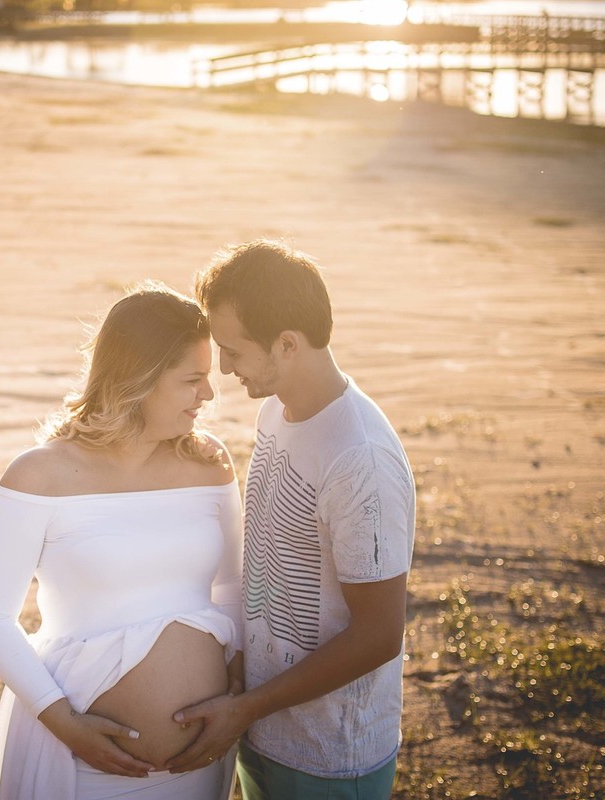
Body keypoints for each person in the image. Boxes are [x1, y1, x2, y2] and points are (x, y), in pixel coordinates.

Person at [0, 283, 245, 800]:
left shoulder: (208, 463)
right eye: (192, 380)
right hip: (80, 765)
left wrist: (235, 689)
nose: (208, 395)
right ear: (139, 380)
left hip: (200, 765)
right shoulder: (39, 475)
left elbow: (232, 584)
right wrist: (64, 722)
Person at [164, 240, 416, 799]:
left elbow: (379, 635)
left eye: (233, 350)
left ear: (287, 344)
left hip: (328, 760)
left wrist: (247, 707)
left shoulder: (360, 460)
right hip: (264, 729)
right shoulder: (275, 409)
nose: (222, 367)